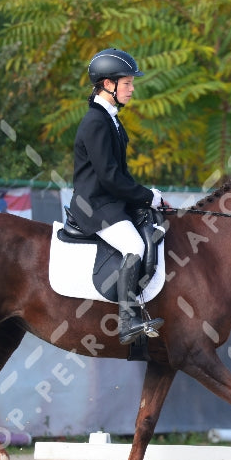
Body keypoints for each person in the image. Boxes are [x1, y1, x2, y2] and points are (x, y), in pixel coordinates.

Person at [68, 48, 165, 347]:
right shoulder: (96, 121)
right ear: (108, 84)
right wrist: (147, 196)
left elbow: (119, 175)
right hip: (95, 206)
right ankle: (128, 320)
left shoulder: (110, 118)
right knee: (135, 246)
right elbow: (110, 177)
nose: (132, 88)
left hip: (110, 202)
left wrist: (147, 197)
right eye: (127, 83)